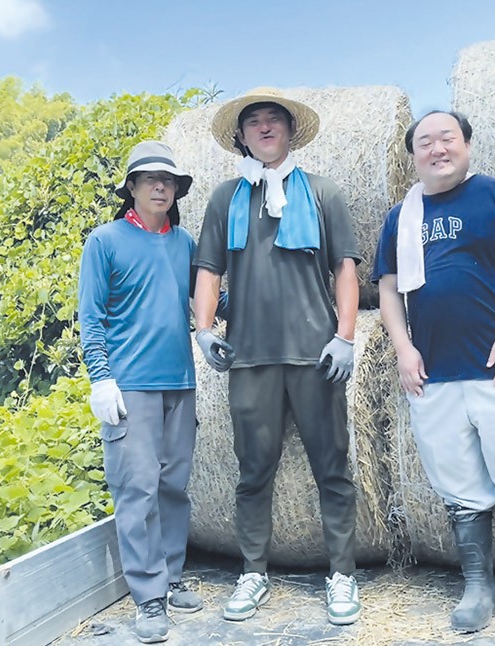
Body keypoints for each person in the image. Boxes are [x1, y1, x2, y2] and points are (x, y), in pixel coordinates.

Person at [371, 110, 495, 636]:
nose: (437, 149)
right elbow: (388, 289)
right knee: (459, 485)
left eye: (446, 138)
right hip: (431, 374)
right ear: (413, 156)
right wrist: (404, 350)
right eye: (425, 142)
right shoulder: (401, 217)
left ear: (467, 145)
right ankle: (480, 585)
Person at [192, 87, 363, 626]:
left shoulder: (323, 193)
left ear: (290, 131)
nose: (265, 128)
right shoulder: (226, 198)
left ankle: (341, 573)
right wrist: (202, 329)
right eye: (254, 123)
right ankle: (253, 572)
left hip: (316, 356)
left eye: (274, 120)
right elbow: (209, 270)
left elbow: (346, 270)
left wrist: (346, 335)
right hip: (249, 357)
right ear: (241, 137)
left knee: (331, 468)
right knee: (253, 472)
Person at [77, 140, 202, 644]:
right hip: (130, 386)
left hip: (181, 382)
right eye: (148, 179)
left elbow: (205, 303)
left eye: (167, 180)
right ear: (130, 187)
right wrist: (100, 377)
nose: (159, 186)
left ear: (176, 190)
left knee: (173, 486)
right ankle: (148, 596)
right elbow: (91, 316)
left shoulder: (185, 243)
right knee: (137, 490)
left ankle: (171, 577)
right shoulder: (104, 242)